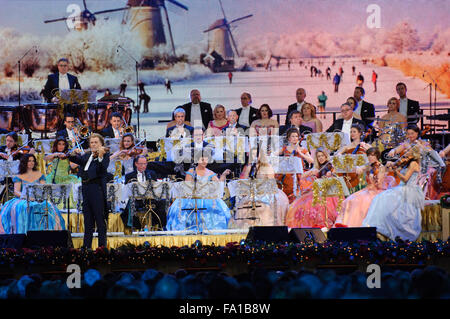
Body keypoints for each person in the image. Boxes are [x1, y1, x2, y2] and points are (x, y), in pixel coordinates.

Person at [362, 146, 425, 241]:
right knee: (379, 198)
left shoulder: (413, 163)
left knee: (382, 198)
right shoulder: (407, 162)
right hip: (401, 187)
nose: (405, 152)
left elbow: (405, 179)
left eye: (408, 151)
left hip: (408, 189)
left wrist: (396, 171)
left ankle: (383, 227)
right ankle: (375, 225)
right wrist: (390, 166)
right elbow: (394, 169)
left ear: (413, 153)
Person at [0, 154, 65, 234]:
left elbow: (43, 188)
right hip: (23, 198)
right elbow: (16, 191)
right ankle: (24, 233)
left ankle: (49, 233)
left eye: (33, 161)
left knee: (49, 206)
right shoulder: (19, 176)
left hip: (37, 198)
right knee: (23, 207)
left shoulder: (39, 175)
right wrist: (26, 197)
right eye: (29, 161)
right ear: (24, 162)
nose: (32, 163)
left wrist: (39, 196)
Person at [165, 151, 231, 231]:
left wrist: (223, 175)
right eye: (202, 159)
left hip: (206, 198)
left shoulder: (210, 172)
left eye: (206, 160)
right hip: (192, 198)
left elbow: (218, 186)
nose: (204, 162)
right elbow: (187, 187)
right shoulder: (191, 171)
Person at [229, 147, 289, 228]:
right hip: (254, 191)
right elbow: (243, 181)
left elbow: (271, 183)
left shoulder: (267, 166)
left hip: (267, 192)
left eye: (255, 154)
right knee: (243, 204)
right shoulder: (251, 167)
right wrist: (249, 166)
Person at [333, 147, 394, 227]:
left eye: (372, 155)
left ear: (377, 156)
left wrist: (373, 177)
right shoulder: (369, 166)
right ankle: (345, 224)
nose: (370, 157)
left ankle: (356, 225)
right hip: (368, 190)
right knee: (349, 200)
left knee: (359, 202)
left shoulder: (381, 167)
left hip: (377, 191)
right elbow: (359, 169)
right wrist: (343, 164)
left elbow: (379, 184)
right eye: (368, 155)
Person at [69, 133, 110, 248]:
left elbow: (102, 170)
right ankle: (86, 247)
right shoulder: (87, 155)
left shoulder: (104, 155)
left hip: (96, 189)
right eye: (92, 142)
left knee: (100, 221)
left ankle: (102, 248)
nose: (93, 144)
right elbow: (76, 159)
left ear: (101, 144)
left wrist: (100, 157)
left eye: (96, 142)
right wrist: (72, 152)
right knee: (88, 221)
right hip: (85, 188)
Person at [284, 147, 340, 229]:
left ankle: (324, 225)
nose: (320, 158)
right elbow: (302, 176)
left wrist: (331, 174)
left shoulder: (330, 166)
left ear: (326, 156)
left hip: (329, 193)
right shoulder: (317, 167)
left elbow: (337, 178)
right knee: (299, 203)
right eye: (318, 156)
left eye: (322, 156)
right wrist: (310, 172)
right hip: (319, 191)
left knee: (318, 205)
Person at [121, 155, 166, 231]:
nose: (143, 166)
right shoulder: (129, 176)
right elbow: (126, 191)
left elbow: (156, 187)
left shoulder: (151, 174)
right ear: (136, 164)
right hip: (136, 200)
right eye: (141, 164)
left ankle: (159, 226)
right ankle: (138, 227)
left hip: (150, 198)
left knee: (162, 202)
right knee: (130, 206)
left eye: (145, 164)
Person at [276, 128, 314, 203]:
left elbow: (311, 160)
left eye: (296, 136)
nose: (295, 138)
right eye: (292, 136)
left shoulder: (302, 149)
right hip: (287, 173)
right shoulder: (285, 148)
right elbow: (274, 154)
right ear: (289, 138)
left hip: (300, 173)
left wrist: (301, 154)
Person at [44, 137, 80, 209]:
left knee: (72, 186)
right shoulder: (54, 155)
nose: (61, 146)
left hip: (66, 178)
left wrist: (80, 160)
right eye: (59, 144)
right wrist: (56, 154)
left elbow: (72, 166)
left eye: (63, 144)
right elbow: (46, 158)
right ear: (56, 145)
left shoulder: (68, 155)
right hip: (54, 178)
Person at [335, 124, 372, 193]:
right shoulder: (347, 147)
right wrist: (339, 155)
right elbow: (338, 154)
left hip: (363, 172)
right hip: (351, 174)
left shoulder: (366, 146)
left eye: (354, 132)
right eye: (351, 132)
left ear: (360, 133)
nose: (352, 133)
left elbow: (374, 156)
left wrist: (365, 148)